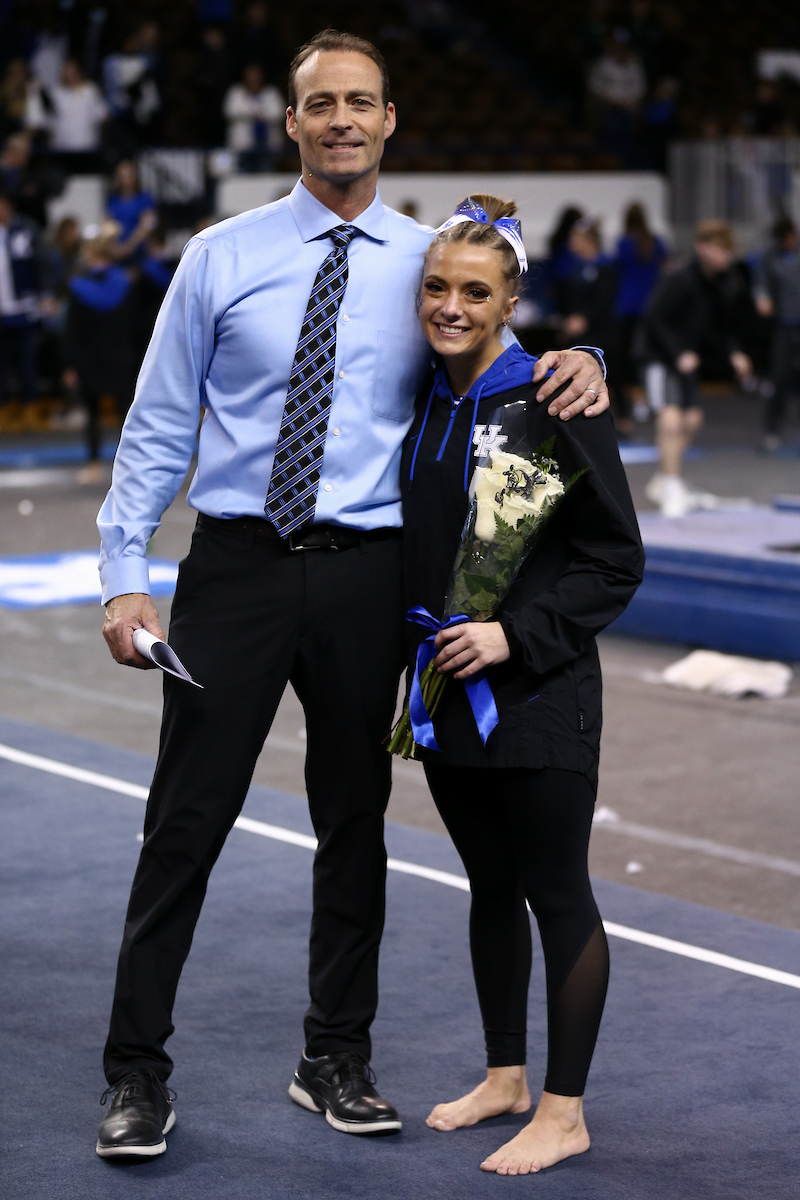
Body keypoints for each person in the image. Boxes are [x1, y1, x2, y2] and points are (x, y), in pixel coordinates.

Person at [94, 29, 609, 1160]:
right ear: (290, 123)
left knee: (352, 827)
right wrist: (125, 579)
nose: (338, 119)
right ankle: (134, 1074)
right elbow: (156, 426)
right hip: (233, 569)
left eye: (359, 102)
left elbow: (500, 343)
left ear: (387, 122)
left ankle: (335, 1055)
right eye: (318, 102)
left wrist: (589, 363)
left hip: (368, 579)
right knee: (182, 826)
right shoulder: (219, 256)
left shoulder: (428, 261)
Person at [401, 194, 643, 1175]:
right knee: (488, 884)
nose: (450, 305)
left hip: (538, 689)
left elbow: (613, 561)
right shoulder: (419, 393)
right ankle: (504, 1075)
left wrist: (514, 637)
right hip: (440, 690)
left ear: (508, 303)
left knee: (554, 889)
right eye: (435, 286)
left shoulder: (552, 398)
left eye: (473, 291)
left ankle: (564, 1107)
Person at [639, 220, 753, 518]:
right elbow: (655, 318)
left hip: (687, 361)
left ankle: (663, 480)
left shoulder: (719, 283)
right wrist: (677, 354)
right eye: (718, 249)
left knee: (692, 421)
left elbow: (718, 327)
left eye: (727, 251)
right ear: (701, 247)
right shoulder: (678, 278)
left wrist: (734, 353)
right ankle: (672, 485)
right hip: (660, 358)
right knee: (672, 419)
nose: (724, 256)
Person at [62, 221, 136, 484]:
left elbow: (72, 330)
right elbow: (134, 325)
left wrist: (69, 365)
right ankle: (127, 467)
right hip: (120, 355)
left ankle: (94, 465)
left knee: (93, 414)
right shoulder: (125, 283)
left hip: (89, 359)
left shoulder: (79, 288)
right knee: (125, 414)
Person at [612, 201, 667, 430]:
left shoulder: (624, 243)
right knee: (649, 357)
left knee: (624, 359)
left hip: (627, 307)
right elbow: (665, 270)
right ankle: (652, 400)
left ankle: (637, 398)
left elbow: (616, 273)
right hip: (651, 307)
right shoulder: (657, 243)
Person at [754, 216, 800, 451]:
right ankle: (772, 430)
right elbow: (761, 282)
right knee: (779, 376)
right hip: (784, 323)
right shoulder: (772, 256)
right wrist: (762, 297)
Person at [0, 187, 44, 412]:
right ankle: (5, 409)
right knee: (2, 364)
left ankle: (30, 407)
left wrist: (44, 294)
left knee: (27, 361)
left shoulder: (26, 230)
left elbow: (43, 263)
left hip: (23, 308)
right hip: (2, 310)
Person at [25, 58, 108, 174]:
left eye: (72, 72)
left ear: (79, 73)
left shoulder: (90, 91)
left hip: (86, 147)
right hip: (60, 148)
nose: (68, 75)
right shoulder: (54, 93)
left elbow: (103, 115)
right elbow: (43, 120)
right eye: (65, 72)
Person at [223, 62, 285, 172]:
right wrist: (254, 114)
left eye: (256, 77)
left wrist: (259, 115)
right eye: (251, 77)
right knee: (243, 174)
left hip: (267, 145)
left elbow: (279, 113)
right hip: (243, 146)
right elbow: (230, 111)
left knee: (266, 173)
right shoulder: (236, 92)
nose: (253, 80)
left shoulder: (271, 93)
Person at [105, 159, 157, 264]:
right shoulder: (113, 201)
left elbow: (148, 225)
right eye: (122, 176)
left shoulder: (144, 199)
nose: (126, 180)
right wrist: (114, 248)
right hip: (117, 255)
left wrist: (129, 246)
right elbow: (108, 225)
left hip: (140, 255)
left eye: (129, 175)